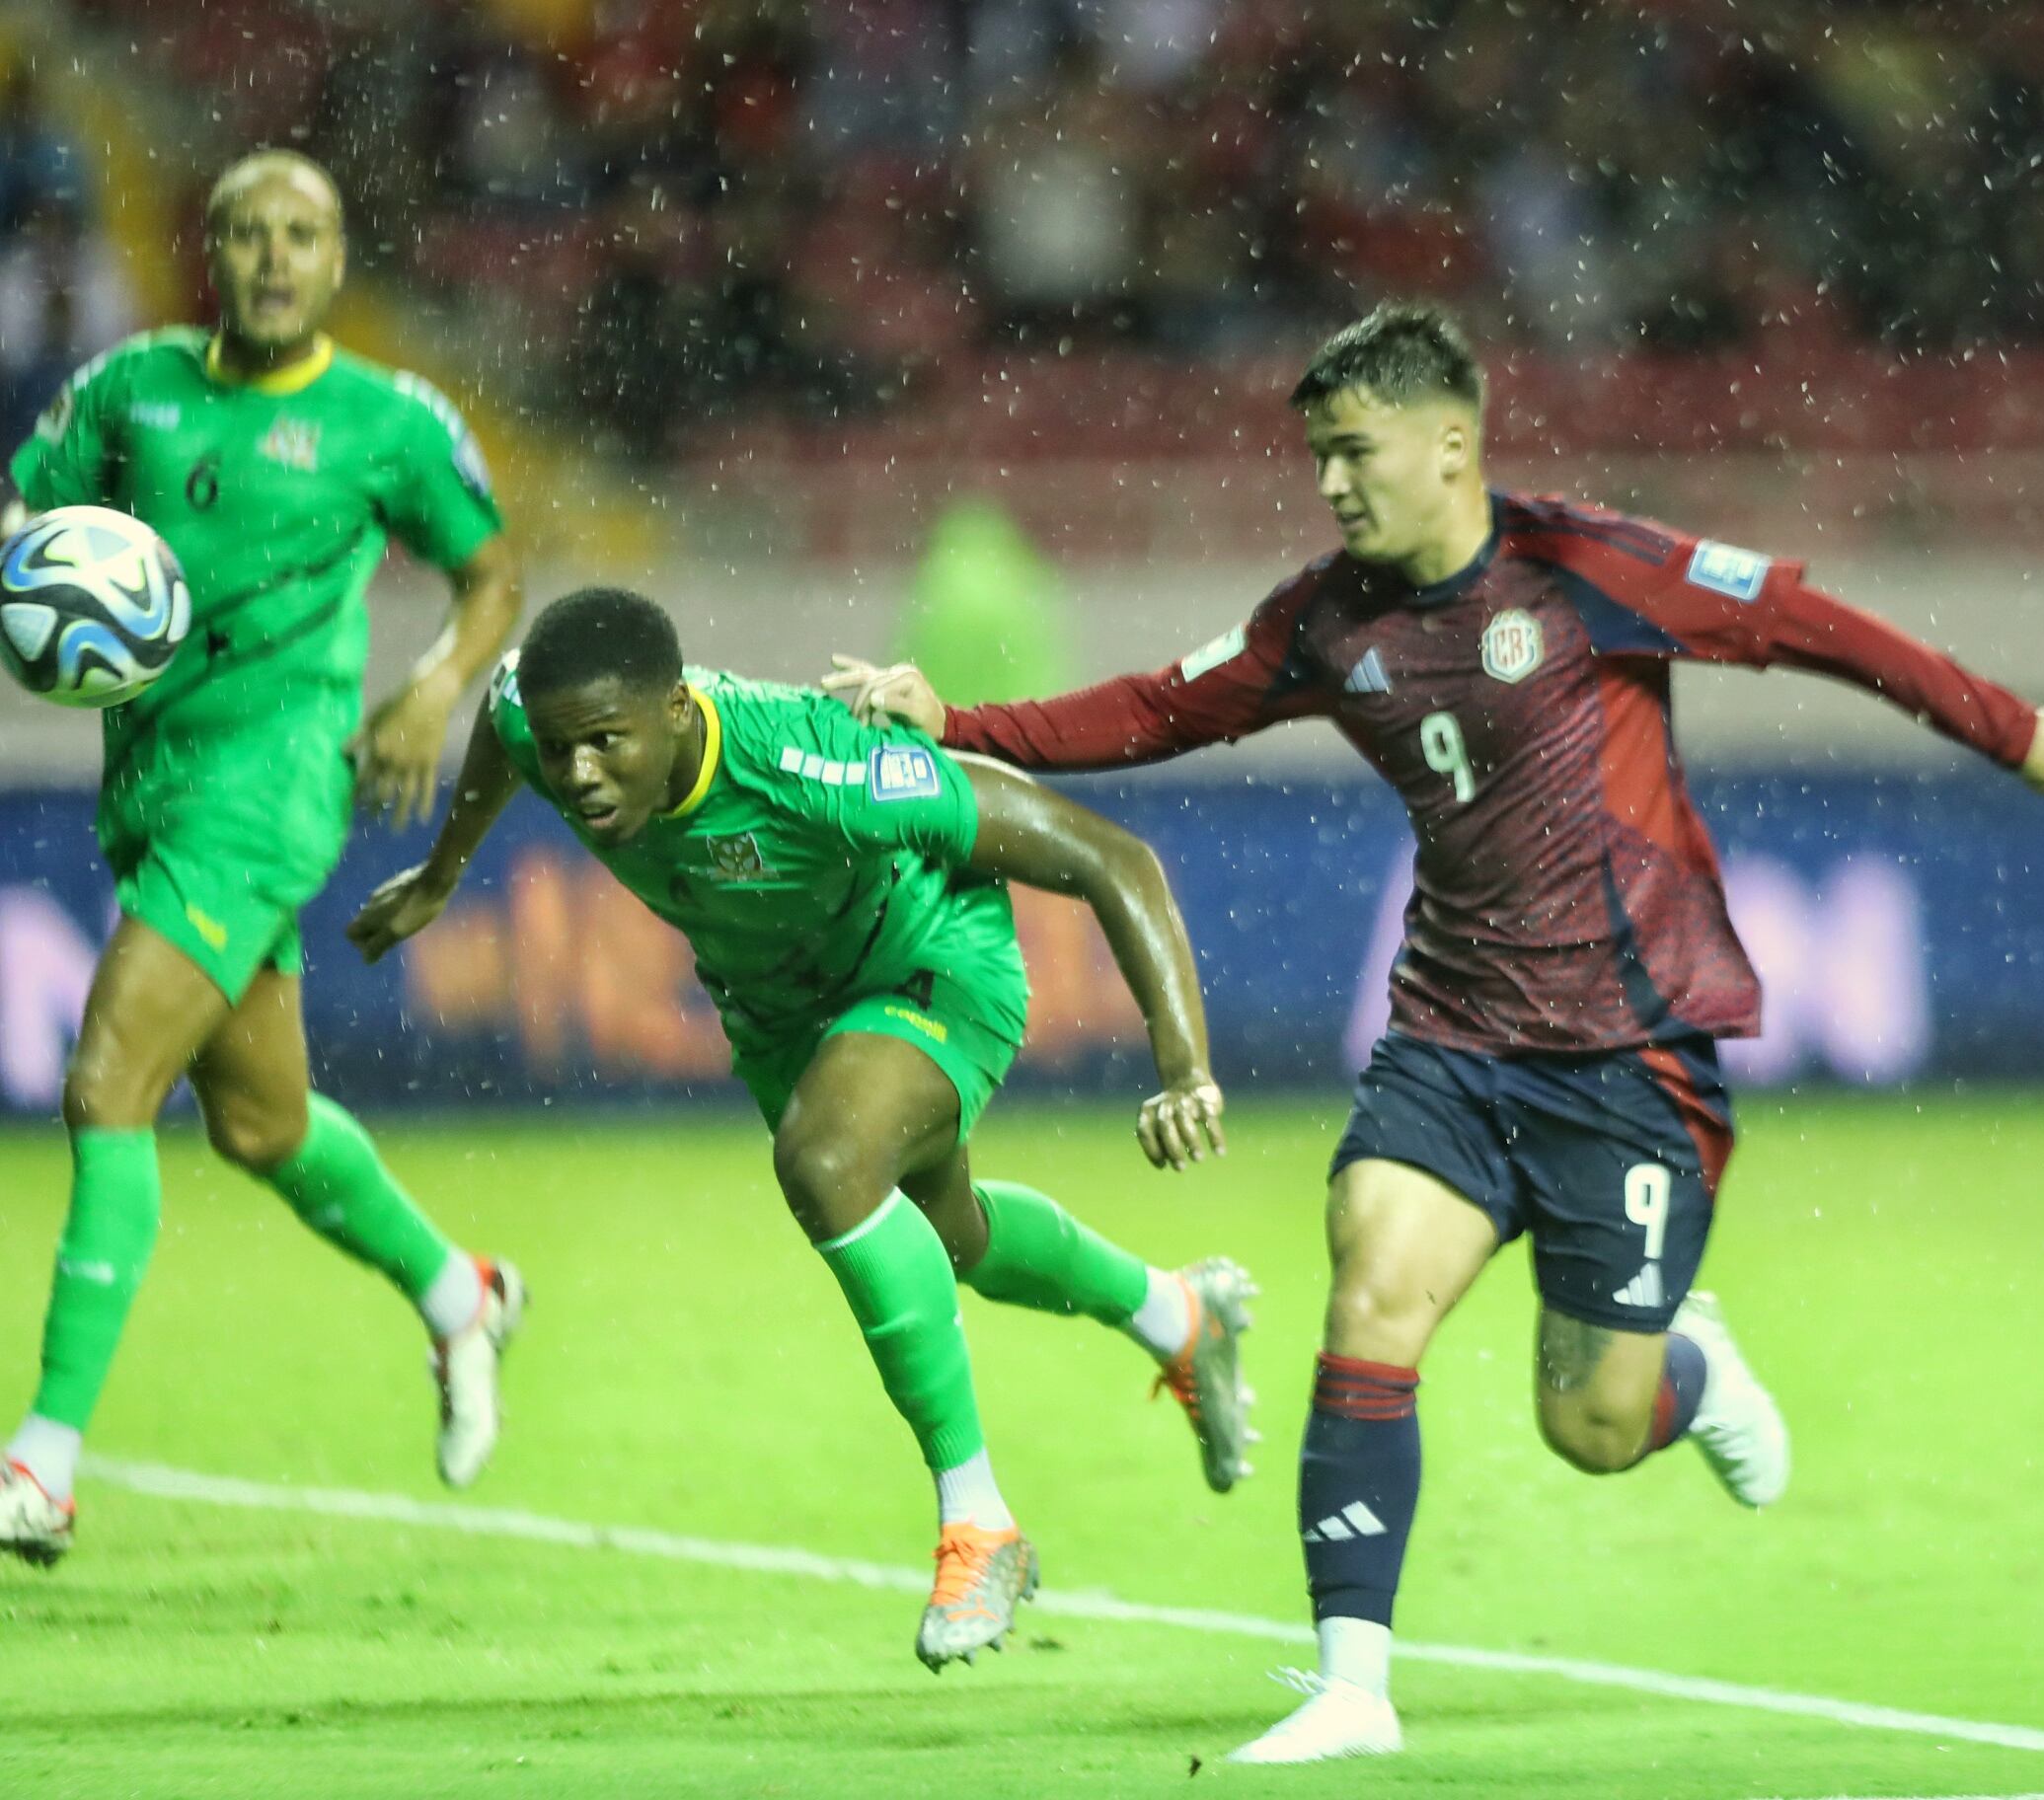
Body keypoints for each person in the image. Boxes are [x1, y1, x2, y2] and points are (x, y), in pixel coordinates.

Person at [828, 302, 2044, 1760]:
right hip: (1452, 1038)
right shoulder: (1325, 620)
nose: (1332, 485)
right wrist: (960, 718)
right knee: (1371, 1283)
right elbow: (1159, 707)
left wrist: (2008, 727)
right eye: (1316, 460)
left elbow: (1804, 622)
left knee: (1590, 1426)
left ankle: (1687, 1374)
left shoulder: (1587, 566)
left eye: (1354, 452)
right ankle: (1353, 1685)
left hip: (1630, 1055)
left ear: (1450, 442)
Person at [347, 586, 1256, 1670]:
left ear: (678, 713)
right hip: (779, 1010)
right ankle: (1177, 1313)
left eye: (606, 743)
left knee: (829, 1160)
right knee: (951, 1238)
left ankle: (981, 1525)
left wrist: (1184, 1068)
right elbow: (503, 733)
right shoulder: (535, 729)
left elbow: (1112, 857)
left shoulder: (815, 760)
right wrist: (442, 877)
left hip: (925, 956)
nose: (580, 773)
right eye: (562, 749)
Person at [1, 150, 528, 1567]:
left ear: (338, 261)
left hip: (279, 786)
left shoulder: (387, 422)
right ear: (212, 254)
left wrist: (431, 687)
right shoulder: (131, 391)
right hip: (155, 785)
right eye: (247, 235)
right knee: (261, 1126)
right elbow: (16, 515)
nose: (274, 258)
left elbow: (491, 579)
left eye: (301, 235)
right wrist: (36, 584)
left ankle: (42, 1464)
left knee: (107, 1081)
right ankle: (458, 1291)